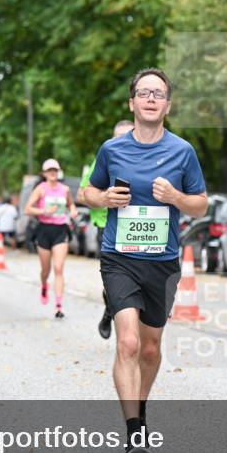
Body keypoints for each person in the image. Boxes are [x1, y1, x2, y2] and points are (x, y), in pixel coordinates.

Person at [81, 68, 208, 453]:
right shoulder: (112, 149)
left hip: (163, 262)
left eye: (159, 93)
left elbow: (201, 205)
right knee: (129, 342)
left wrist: (175, 197)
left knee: (150, 350)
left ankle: (140, 407)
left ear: (167, 105)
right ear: (132, 102)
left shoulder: (183, 151)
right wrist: (104, 199)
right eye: (144, 92)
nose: (151, 98)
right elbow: (87, 192)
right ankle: (134, 432)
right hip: (119, 258)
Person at [78, 119, 134, 339]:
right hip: (107, 228)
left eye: (128, 135)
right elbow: (82, 194)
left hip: (136, 230)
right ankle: (110, 312)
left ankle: (117, 314)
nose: (124, 141)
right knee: (114, 282)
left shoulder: (146, 158)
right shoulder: (104, 158)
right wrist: (104, 198)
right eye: (119, 137)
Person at [25, 158, 78, 319]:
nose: (53, 172)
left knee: (58, 267)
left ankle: (59, 305)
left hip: (61, 230)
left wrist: (73, 211)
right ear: (44, 173)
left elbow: (71, 204)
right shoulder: (41, 189)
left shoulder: (65, 189)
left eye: (55, 170)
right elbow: (28, 209)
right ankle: (44, 285)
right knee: (46, 270)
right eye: (50, 170)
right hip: (44, 230)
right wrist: (44, 212)